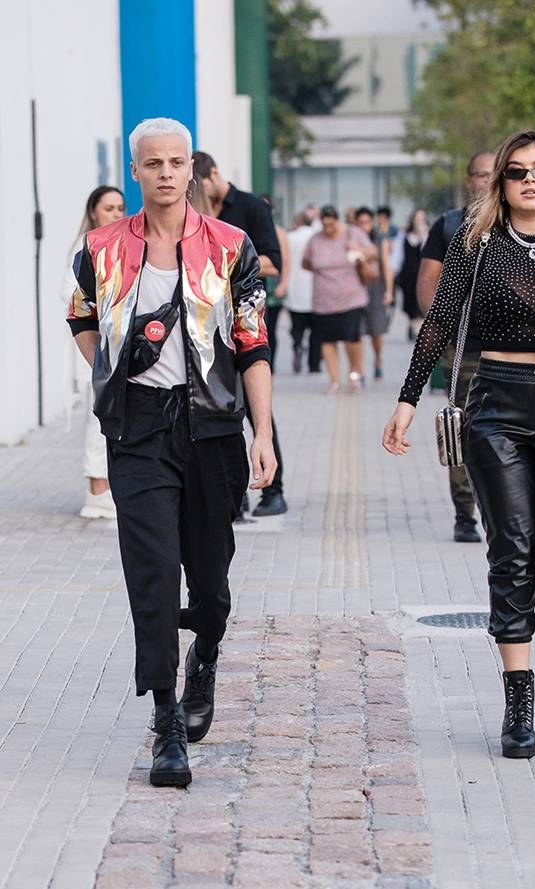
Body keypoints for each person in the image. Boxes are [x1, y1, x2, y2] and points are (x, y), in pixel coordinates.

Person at [383, 130, 535, 761]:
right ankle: (518, 694)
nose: (530, 181)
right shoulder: (476, 244)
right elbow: (439, 321)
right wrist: (407, 399)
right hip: (496, 406)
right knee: (511, 549)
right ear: (502, 184)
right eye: (517, 172)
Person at [67, 117, 276, 787]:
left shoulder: (231, 246)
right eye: (152, 162)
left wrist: (263, 433)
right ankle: (166, 722)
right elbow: (80, 316)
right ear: (136, 171)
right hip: (138, 431)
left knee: (209, 584)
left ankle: (205, 653)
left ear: (191, 169)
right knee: (153, 573)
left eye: (175, 161)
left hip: (213, 429)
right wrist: (109, 374)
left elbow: (253, 344)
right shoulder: (100, 249)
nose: (164, 172)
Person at [193, 151, 287, 517]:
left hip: (246, 320)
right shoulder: (193, 211)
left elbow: (273, 262)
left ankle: (274, 490)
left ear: (214, 175)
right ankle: (236, 492)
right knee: (221, 404)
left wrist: (225, 261)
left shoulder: (250, 207)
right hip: (206, 326)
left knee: (255, 404)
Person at [417, 151, 495, 543]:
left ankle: (505, 509)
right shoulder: (450, 226)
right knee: (462, 427)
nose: (488, 181)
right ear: (469, 180)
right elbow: (427, 282)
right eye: (481, 175)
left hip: (517, 352)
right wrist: (442, 331)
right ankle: (465, 513)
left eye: (496, 174)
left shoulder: (521, 224)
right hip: (464, 349)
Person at [61, 186, 126, 519]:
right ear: (93, 212)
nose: (116, 214)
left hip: (115, 347)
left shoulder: (118, 244)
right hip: (93, 346)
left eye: (120, 208)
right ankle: (96, 490)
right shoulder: (86, 246)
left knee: (110, 416)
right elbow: (71, 295)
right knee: (98, 418)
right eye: (109, 208)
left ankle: (104, 486)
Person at [302, 205, 377, 393]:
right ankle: (334, 380)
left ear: (337, 221)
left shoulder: (352, 233)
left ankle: (354, 375)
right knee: (327, 340)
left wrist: (358, 250)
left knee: (352, 338)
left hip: (351, 298)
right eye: (325, 225)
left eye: (331, 225)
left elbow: (373, 251)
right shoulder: (315, 239)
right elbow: (305, 262)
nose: (328, 229)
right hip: (323, 301)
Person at [355, 206, 394, 379]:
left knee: (376, 331)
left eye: (367, 222)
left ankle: (377, 360)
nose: (364, 226)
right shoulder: (351, 240)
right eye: (361, 222)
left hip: (376, 289)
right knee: (357, 332)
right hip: (356, 289)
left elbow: (386, 265)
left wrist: (389, 291)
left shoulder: (380, 240)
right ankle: (359, 369)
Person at [284, 211, 321, 373]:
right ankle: (314, 364)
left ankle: (297, 346)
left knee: (297, 329)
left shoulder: (289, 237)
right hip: (315, 289)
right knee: (316, 332)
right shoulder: (317, 237)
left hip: (294, 289)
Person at [259, 194, 289, 373]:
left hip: (274, 288)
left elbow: (285, 260)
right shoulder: (253, 228)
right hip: (259, 286)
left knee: (271, 329)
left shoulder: (278, 232)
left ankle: (271, 368)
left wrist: (283, 284)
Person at [397, 209, 429, 340]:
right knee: (409, 299)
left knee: (419, 299)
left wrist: (424, 233)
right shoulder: (404, 235)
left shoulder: (428, 234)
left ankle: (417, 326)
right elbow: (398, 255)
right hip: (407, 273)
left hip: (422, 272)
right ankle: (412, 324)